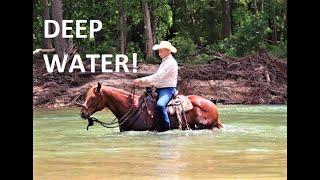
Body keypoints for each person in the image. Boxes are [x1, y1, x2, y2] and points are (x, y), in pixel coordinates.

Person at [133, 41, 178, 130]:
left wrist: (141, 80)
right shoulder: (165, 62)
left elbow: (158, 77)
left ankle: (166, 129)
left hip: (168, 89)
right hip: (159, 88)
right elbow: (157, 79)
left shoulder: (170, 63)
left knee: (160, 105)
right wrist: (143, 83)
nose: (159, 52)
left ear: (168, 51)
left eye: (161, 50)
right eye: (159, 50)